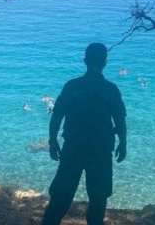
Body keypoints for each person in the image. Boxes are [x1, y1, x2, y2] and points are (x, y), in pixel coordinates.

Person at [41, 43, 127, 225]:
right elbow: (119, 120)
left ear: (85, 61)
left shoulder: (72, 86)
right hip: (101, 151)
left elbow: (57, 115)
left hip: (73, 148)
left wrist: (52, 140)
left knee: (60, 199)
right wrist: (123, 143)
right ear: (105, 62)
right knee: (98, 200)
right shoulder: (111, 89)